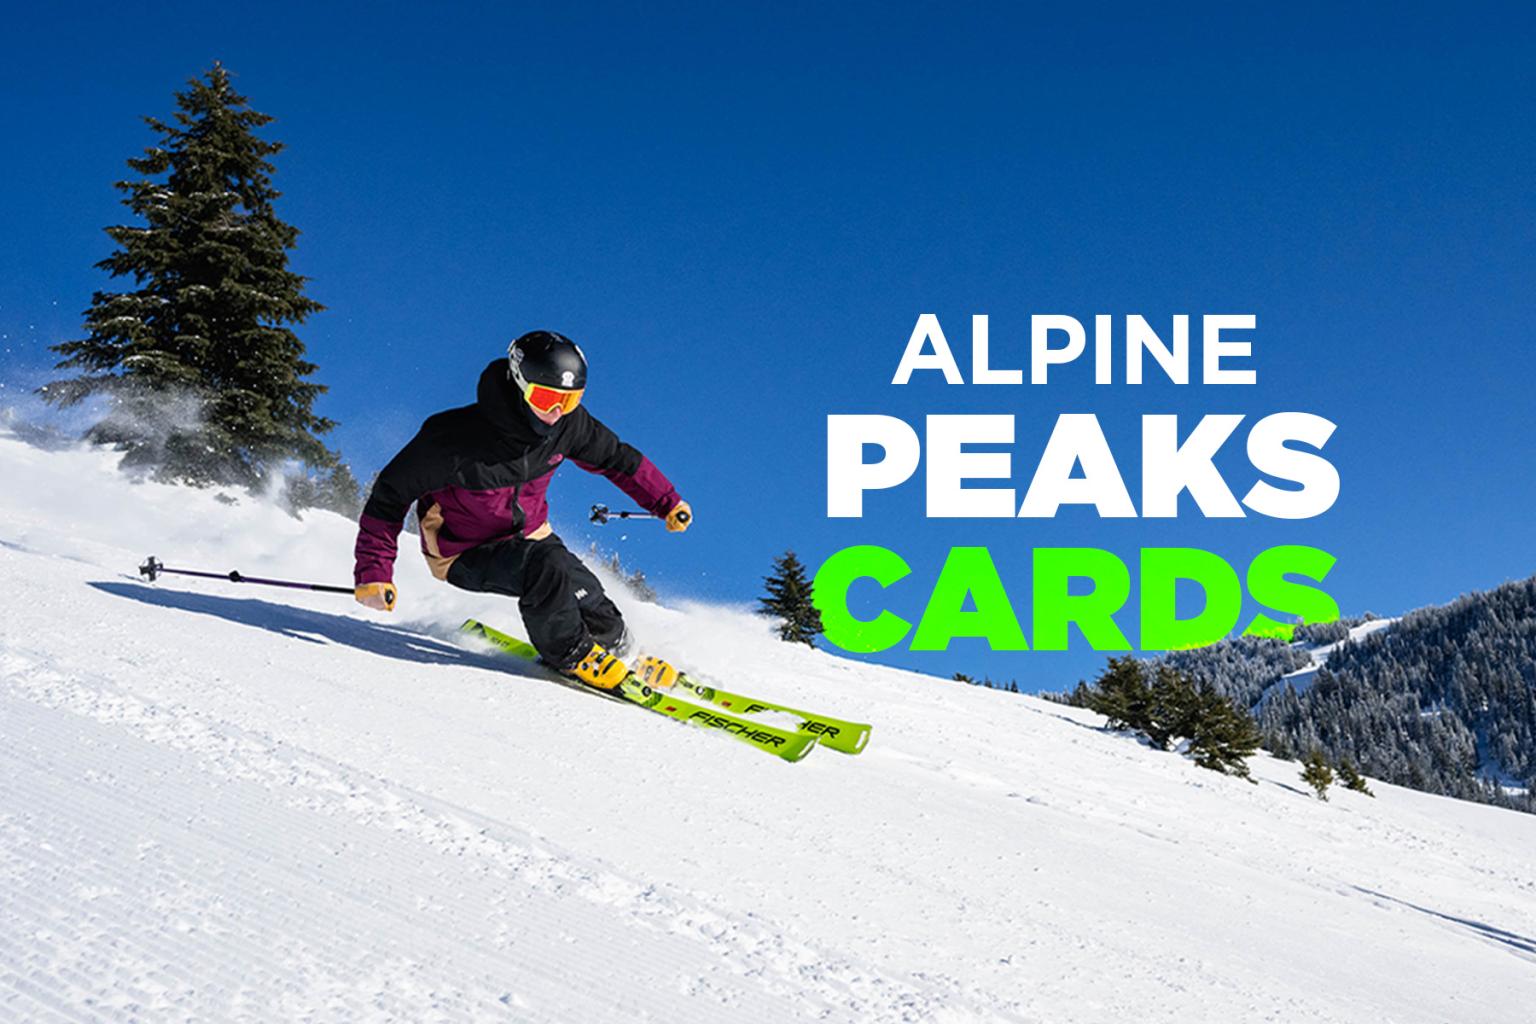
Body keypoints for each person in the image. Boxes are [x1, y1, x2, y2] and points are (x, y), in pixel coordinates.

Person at [351, 330, 691, 690]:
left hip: (529, 535)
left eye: (570, 400)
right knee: (547, 568)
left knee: (585, 590)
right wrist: (374, 573)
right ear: (518, 384)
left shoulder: (567, 426)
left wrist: (665, 501)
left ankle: (621, 651)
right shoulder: (453, 439)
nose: (557, 412)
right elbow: (388, 498)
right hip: (462, 551)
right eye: (546, 398)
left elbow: (616, 458)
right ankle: (572, 654)